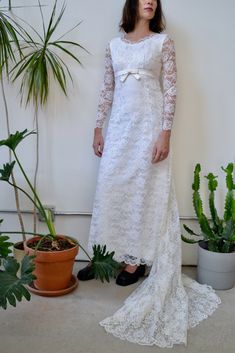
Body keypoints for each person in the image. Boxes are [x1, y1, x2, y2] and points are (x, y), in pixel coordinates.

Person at [78, 0, 221, 347]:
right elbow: (107, 90)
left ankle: (134, 263)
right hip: (120, 127)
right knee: (112, 188)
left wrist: (165, 132)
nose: (150, 1)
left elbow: (171, 90)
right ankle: (105, 256)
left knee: (143, 191)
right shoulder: (114, 45)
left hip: (148, 128)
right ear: (132, 3)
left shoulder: (163, 42)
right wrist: (98, 128)